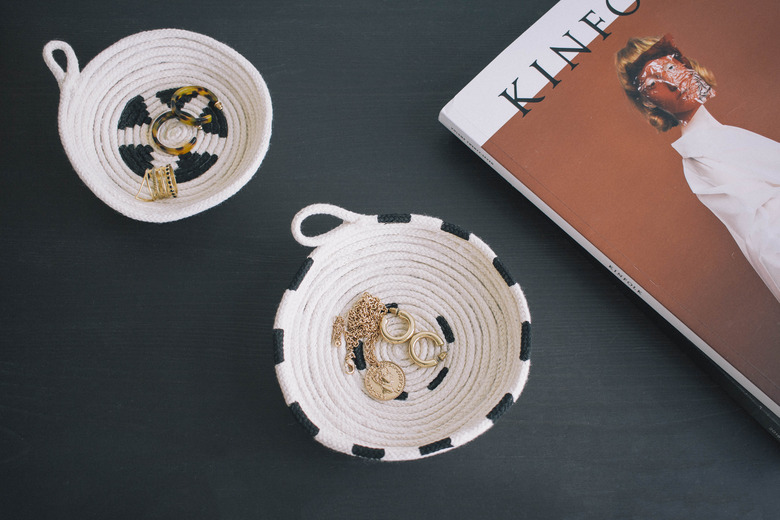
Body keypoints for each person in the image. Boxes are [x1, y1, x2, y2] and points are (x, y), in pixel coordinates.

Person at [616, 35, 780, 302]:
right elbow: (763, 234)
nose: (671, 82)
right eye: (653, 83)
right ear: (647, 101)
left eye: (670, 68)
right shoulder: (698, 154)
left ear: (684, 65)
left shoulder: (719, 135)